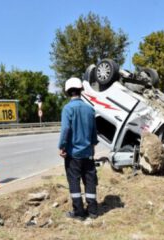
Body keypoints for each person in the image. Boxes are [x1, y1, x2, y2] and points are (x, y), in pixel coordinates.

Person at [58, 77, 99, 220]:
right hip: (88, 153)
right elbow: (94, 132)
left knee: (74, 182)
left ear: (68, 92)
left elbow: (65, 130)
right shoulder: (90, 109)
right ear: (81, 90)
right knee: (90, 181)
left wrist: (62, 146)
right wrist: (92, 147)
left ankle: (79, 213)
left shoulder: (68, 109)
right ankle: (93, 211)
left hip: (73, 154)